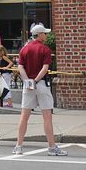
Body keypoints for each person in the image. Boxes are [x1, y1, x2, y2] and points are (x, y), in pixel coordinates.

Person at [13, 23, 65, 156]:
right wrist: (36, 80)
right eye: (45, 33)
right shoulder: (45, 49)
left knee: (24, 117)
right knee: (47, 117)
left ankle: (18, 146)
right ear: (40, 35)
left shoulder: (24, 49)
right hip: (41, 84)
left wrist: (27, 81)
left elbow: (20, 67)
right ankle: (52, 147)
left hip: (28, 85)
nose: (46, 35)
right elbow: (45, 68)